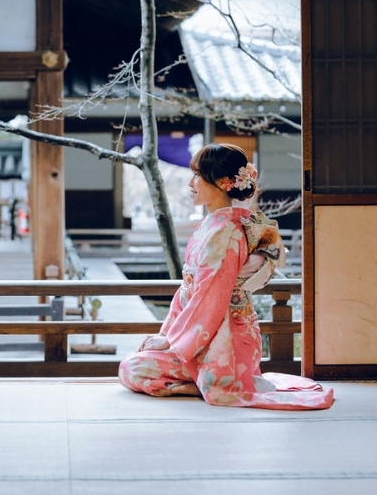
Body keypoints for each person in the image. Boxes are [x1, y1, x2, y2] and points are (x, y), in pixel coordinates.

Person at [118, 143, 333, 410]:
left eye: (197, 175)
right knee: (137, 361)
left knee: (131, 367)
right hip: (208, 329)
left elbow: (211, 297)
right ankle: (197, 383)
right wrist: (169, 335)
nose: (190, 183)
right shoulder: (221, 223)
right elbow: (193, 291)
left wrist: (172, 341)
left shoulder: (225, 231)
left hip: (223, 338)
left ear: (222, 182)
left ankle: (202, 383)